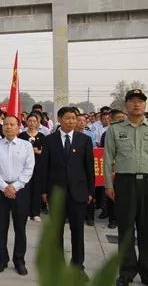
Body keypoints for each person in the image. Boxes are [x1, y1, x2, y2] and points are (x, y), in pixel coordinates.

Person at [104, 89, 148, 286]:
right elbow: (108, 159)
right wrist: (109, 184)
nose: (136, 104)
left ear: (145, 105)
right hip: (125, 182)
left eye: (140, 101)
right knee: (125, 230)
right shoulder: (115, 129)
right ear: (126, 105)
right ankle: (126, 272)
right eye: (132, 101)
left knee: (147, 230)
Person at [41, 106, 94, 276]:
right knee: (57, 232)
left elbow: (89, 168)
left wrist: (90, 191)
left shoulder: (84, 140)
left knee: (77, 231)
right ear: (59, 119)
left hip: (78, 192)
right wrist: (43, 191)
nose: (71, 121)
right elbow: (44, 168)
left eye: (74, 118)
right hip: (56, 192)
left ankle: (78, 266)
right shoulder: (50, 140)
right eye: (68, 118)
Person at [0, 115, 34, 276]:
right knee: (1, 227)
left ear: (18, 127)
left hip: (20, 190)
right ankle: (2, 259)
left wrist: (14, 187)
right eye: (6, 124)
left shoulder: (26, 146)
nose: (8, 127)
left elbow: (29, 169)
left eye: (12, 124)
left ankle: (19, 260)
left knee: (20, 228)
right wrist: (4, 187)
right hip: (0, 191)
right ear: (2, 127)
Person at [18, 112, 46, 222]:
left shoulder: (42, 136)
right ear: (26, 122)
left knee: (36, 189)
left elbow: (46, 152)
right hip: (24, 167)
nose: (32, 123)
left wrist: (38, 151)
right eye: (30, 121)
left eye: (34, 121)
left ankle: (35, 213)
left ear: (38, 123)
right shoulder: (22, 136)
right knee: (25, 189)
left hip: (38, 167)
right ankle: (26, 212)